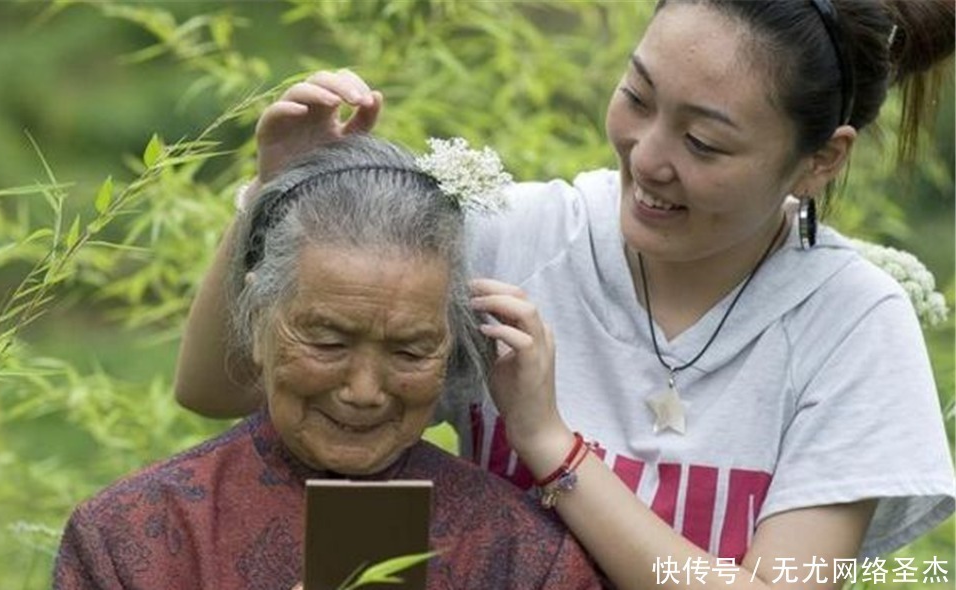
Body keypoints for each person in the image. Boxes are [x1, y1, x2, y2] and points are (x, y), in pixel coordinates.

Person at [174, 1, 956, 588]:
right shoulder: (513, 239)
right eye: (639, 98)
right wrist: (274, 195)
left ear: (821, 159)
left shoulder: (854, 326)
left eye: (703, 141)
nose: (647, 157)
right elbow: (216, 388)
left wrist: (549, 445)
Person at [53, 136, 604, 589]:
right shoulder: (132, 535)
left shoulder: (523, 558)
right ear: (258, 317)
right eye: (328, 343)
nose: (365, 391)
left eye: (410, 351)